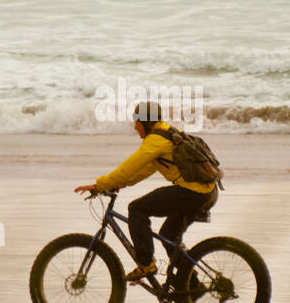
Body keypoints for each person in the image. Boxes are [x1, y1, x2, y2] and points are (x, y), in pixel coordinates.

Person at [74, 101, 218, 282]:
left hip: (192, 193)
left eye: (137, 122)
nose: (135, 127)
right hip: (207, 192)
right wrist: (122, 184)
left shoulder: (155, 140)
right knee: (168, 236)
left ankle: (146, 264)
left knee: (137, 209)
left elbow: (126, 168)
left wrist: (99, 185)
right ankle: (191, 286)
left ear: (146, 122)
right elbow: (146, 168)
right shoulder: (167, 132)